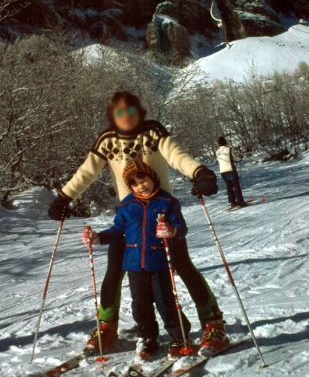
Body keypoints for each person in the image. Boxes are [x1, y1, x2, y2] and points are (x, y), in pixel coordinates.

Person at [49, 91, 228, 356]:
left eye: (131, 111)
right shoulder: (107, 140)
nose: (126, 117)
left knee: (183, 267)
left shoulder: (152, 132)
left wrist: (199, 171)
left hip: (162, 214)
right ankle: (107, 326)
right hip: (128, 216)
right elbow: (86, 172)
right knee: (113, 273)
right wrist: (64, 197)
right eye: (119, 113)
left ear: (139, 111)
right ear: (113, 115)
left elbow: (177, 155)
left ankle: (213, 324)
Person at [82, 161, 194, 359]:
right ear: (130, 187)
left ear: (152, 178)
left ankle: (180, 337)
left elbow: (181, 228)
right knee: (140, 304)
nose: (141, 186)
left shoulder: (167, 202)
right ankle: (147, 337)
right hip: (134, 264)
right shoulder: (127, 205)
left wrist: (172, 230)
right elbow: (117, 230)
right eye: (135, 184)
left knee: (165, 302)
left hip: (159, 262)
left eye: (144, 181)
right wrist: (98, 237)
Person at [216, 136, 247, 209]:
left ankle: (232, 202)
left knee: (229, 186)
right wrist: (240, 158)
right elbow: (235, 158)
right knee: (236, 186)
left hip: (222, 171)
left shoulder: (217, 152)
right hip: (230, 170)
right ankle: (240, 201)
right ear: (225, 142)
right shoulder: (229, 149)